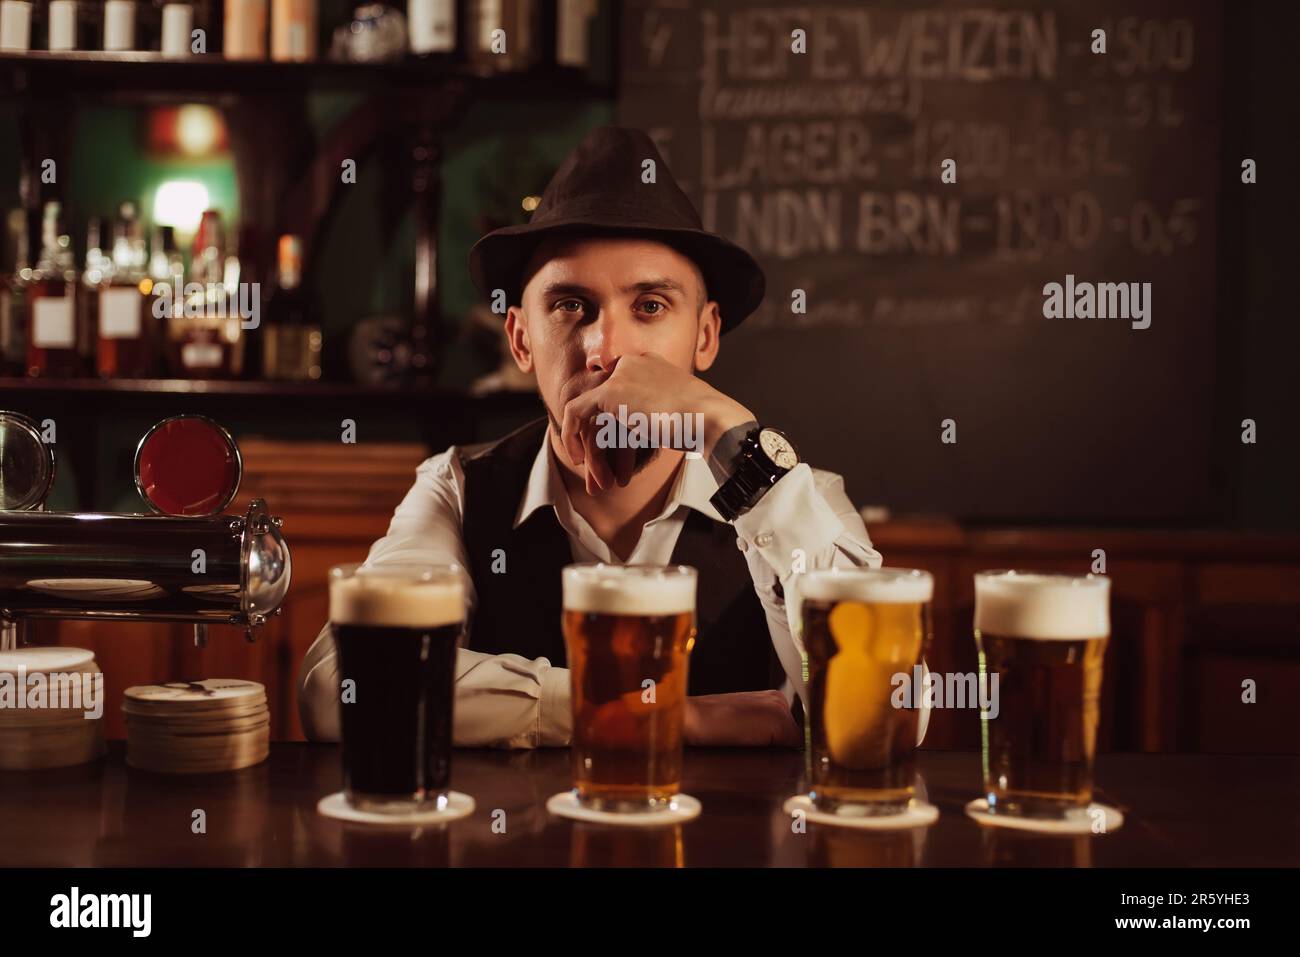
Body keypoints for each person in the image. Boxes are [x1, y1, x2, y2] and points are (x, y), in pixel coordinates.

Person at [297, 126, 882, 748]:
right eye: (571, 306)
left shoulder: (801, 497)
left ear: (705, 337)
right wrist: (670, 717)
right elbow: (341, 688)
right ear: (521, 340)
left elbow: (879, 710)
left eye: (651, 306)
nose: (607, 350)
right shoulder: (460, 486)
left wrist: (723, 426)